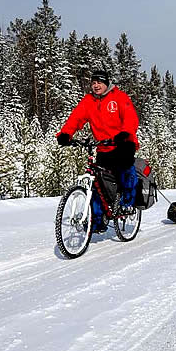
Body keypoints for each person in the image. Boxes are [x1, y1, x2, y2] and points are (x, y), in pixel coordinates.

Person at [56, 68, 139, 233]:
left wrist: (125, 133)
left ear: (106, 83)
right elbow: (76, 118)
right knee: (96, 183)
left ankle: (128, 203)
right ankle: (97, 220)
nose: (96, 86)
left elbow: (131, 117)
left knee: (125, 172)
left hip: (123, 143)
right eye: (93, 83)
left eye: (99, 82)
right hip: (103, 146)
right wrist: (65, 134)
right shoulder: (88, 101)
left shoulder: (119, 97)